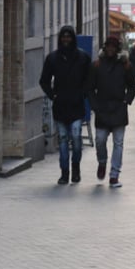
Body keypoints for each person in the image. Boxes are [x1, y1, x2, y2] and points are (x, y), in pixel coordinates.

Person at [40, 25, 92, 184]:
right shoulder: (53, 58)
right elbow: (44, 81)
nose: (66, 40)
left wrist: (83, 94)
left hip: (76, 105)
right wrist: (53, 95)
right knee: (62, 139)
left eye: (69, 37)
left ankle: (75, 167)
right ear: (60, 39)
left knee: (76, 137)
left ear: (73, 38)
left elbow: (89, 79)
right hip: (60, 106)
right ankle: (64, 172)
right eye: (64, 37)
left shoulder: (83, 58)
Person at [86, 36, 135, 187]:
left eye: (113, 47)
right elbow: (89, 88)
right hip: (102, 108)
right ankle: (102, 162)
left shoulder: (125, 65)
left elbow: (132, 85)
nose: (110, 49)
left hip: (119, 108)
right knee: (100, 140)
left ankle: (114, 174)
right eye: (108, 46)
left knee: (118, 143)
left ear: (117, 49)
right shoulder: (97, 65)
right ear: (105, 47)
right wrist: (94, 105)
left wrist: (127, 100)